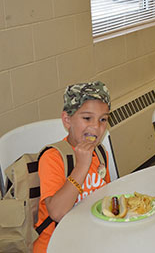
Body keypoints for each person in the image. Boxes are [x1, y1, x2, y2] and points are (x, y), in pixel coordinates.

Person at [34, 81, 112, 253]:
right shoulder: (52, 158)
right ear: (67, 120)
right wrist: (82, 166)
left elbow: (104, 199)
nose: (96, 126)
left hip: (89, 236)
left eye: (103, 119)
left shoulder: (100, 152)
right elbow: (57, 213)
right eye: (87, 118)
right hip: (56, 244)